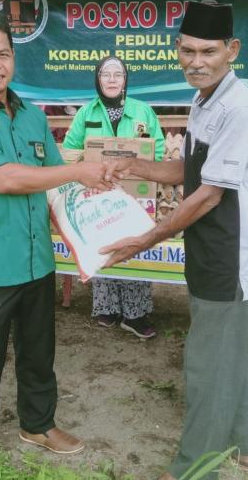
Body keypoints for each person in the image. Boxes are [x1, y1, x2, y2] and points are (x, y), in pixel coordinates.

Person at [0, 10, 115, 480]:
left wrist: (90, 234)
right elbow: (7, 179)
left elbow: (54, 188)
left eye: (2, 54)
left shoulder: (34, 117)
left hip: (37, 261)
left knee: (39, 355)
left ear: (14, 57)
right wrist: (78, 170)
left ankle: (38, 424)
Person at [100, 2, 248, 479]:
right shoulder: (204, 100)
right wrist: (133, 166)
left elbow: (210, 195)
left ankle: (194, 468)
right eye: (188, 50)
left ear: (231, 50)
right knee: (227, 353)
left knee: (206, 366)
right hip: (207, 247)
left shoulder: (240, 107)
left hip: (230, 255)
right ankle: (246, 447)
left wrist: (145, 239)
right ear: (178, 49)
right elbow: (189, 172)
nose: (196, 61)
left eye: (209, 51)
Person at [62, 54, 165, 338]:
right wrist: (83, 173)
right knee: (104, 242)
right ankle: (106, 307)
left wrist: (139, 170)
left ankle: (135, 313)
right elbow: (70, 152)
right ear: (97, 79)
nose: (111, 79)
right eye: (105, 74)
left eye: (117, 74)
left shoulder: (143, 111)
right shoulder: (86, 113)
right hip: (98, 191)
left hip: (135, 190)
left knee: (133, 242)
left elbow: (157, 151)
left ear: (125, 80)